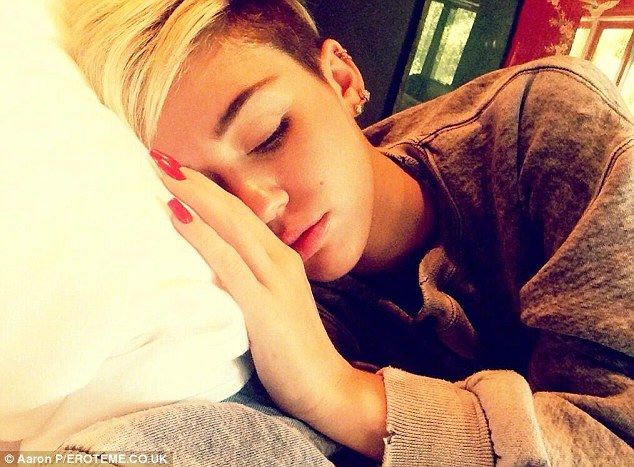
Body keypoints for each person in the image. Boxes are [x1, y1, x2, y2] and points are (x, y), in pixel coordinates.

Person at [63, 0, 634, 465]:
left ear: (341, 79)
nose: (259, 206)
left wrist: (339, 394)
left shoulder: (545, 127)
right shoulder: (279, 302)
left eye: (268, 135)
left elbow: (616, 436)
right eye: (211, 191)